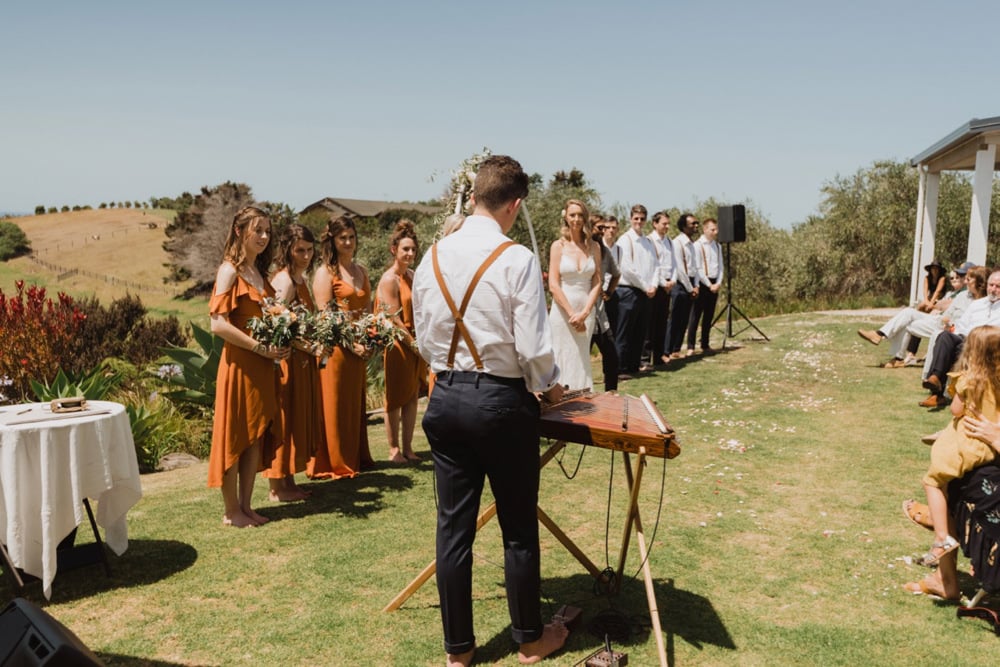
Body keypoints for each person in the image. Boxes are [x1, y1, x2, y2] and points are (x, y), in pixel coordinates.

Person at [412, 155, 568, 667]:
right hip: (501, 403)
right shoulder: (517, 257)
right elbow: (533, 346)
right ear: (515, 204)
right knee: (518, 527)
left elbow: (422, 340)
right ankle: (529, 640)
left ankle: (458, 652)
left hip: (445, 398)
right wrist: (549, 390)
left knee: (452, 529)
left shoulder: (430, 255)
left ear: (474, 196)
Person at [207, 206, 289, 527]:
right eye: (258, 231)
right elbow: (217, 324)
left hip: (262, 365)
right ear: (239, 232)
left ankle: (246, 506)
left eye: (267, 231)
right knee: (235, 436)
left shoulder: (259, 274)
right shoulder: (229, 271)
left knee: (254, 435)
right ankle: (230, 512)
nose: (265, 237)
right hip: (240, 364)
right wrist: (260, 348)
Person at [916, 326, 1000, 568]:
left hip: (966, 445)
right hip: (988, 447)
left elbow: (955, 410)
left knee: (933, 481)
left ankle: (942, 536)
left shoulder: (970, 380)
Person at [309, 215, 375, 479]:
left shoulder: (361, 272)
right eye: (342, 238)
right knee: (335, 405)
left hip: (359, 348)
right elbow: (326, 317)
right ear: (332, 241)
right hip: (336, 350)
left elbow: (368, 311)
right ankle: (336, 462)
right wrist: (351, 344)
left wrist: (370, 339)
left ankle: (356, 457)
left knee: (353, 405)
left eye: (351, 237)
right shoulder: (326, 273)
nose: (348, 242)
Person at [264, 223, 323, 501]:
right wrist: (309, 347)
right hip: (288, 362)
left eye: (310, 250)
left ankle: (288, 481)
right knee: (284, 420)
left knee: (296, 420)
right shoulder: (284, 281)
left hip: (302, 362)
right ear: (287, 249)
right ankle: (277, 486)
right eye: (300, 250)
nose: (306, 255)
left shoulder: (301, 279)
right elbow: (277, 325)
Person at [858, 262, 978, 368]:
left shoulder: (972, 295)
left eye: (963, 276)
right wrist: (937, 306)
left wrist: (938, 306)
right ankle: (879, 335)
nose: (960, 278)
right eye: (960, 275)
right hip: (939, 317)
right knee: (907, 312)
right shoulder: (961, 293)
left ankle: (897, 357)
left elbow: (946, 306)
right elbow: (945, 307)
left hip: (947, 325)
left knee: (907, 323)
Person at [375, 219, 427, 463]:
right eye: (405, 249)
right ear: (394, 249)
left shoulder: (413, 276)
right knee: (395, 397)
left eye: (413, 249)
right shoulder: (389, 279)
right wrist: (413, 345)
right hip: (398, 344)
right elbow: (393, 319)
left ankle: (408, 448)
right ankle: (393, 449)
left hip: (414, 342)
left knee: (411, 396)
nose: (410, 253)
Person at [920, 270, 1000, 408]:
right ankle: (936, 382)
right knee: (944, 337)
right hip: (967, 342)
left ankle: (939, 392)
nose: (993, 289)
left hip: (990, 347)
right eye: (991, 285)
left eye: (998, 286)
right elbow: (961, 326)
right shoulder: (977, 305)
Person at [548, 200, 601, 391]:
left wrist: (585, 312)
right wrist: (572, 314)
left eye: (580, 215)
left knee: (581, 357)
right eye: (572, 215)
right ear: (566, 217)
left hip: (586, 311)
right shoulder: (558, 246)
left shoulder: (594, 246)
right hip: (563, 313)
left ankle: (583, 397)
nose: (576, 219)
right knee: (561, 354)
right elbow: (553, 284)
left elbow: (597, 281)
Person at [613, 205, 658, 375]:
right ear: (631, 219)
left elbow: (656, 265)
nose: (639, 222)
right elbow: (627, 268)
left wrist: (653, 284)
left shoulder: (648, 242)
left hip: (646, 292)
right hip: (628, 291)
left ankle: (634, 366)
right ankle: (620, 368)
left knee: (640, 332)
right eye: (636, 218)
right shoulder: (625, 240)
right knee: (624, 332)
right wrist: (645, 286)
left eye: (642, 219)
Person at [663, 213, 700, 362]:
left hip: (691, 282)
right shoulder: (677, 243)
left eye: (697, 223)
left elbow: (696, 267)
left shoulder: (692, 244)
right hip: (681, 283)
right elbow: (680, 268)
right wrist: (690, 288)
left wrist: (696, 285)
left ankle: (677, 348)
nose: (696, 226)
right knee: (675, 318)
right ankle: (667, 350)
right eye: (693, 224)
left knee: (684, 318)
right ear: (684, 226)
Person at [590, 215, 621, 392]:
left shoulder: (605, 252)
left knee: (611, 356)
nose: (602, 231)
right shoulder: (581, 249)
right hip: (582, 315)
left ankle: (611, 393)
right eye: (599, 227)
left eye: (604, 228)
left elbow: (616, 274)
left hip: (600, 314)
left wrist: (608, 291)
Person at [687, 217, 723, 355]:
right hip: (702, 283)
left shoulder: (717, 246)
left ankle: (705, 344)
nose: (715, 232)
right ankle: (690, 345)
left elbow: (721, 267)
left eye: (716, 229)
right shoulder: (697, 245)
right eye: (712, 229)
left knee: (709, 315)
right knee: (695, 315)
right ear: (705, 229)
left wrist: (718, 282)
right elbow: (698, 268)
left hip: (714, 282)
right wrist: (708, 285)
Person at [646, 211, 675, 367]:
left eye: (668, 223)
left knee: (662, 323)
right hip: (656, 285)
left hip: (668, 286)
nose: (667, 226)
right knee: (651, 324)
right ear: (655, 224)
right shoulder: (650, 241)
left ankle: (659, 356)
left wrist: (673, 280)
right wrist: (663, 282)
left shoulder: (669, 242)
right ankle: (645, 358)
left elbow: (674, 262)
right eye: (664, 223)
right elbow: (653, 265)